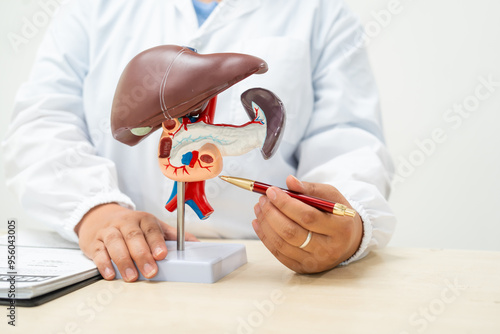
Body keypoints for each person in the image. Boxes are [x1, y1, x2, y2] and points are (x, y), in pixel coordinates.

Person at [2, 0, 397, 282]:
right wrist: (95, 211)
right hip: (119, 270)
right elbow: (42, 121)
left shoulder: (322, 12)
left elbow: (348, 139)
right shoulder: (89, 8)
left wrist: (344, 225)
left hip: (264, 274)